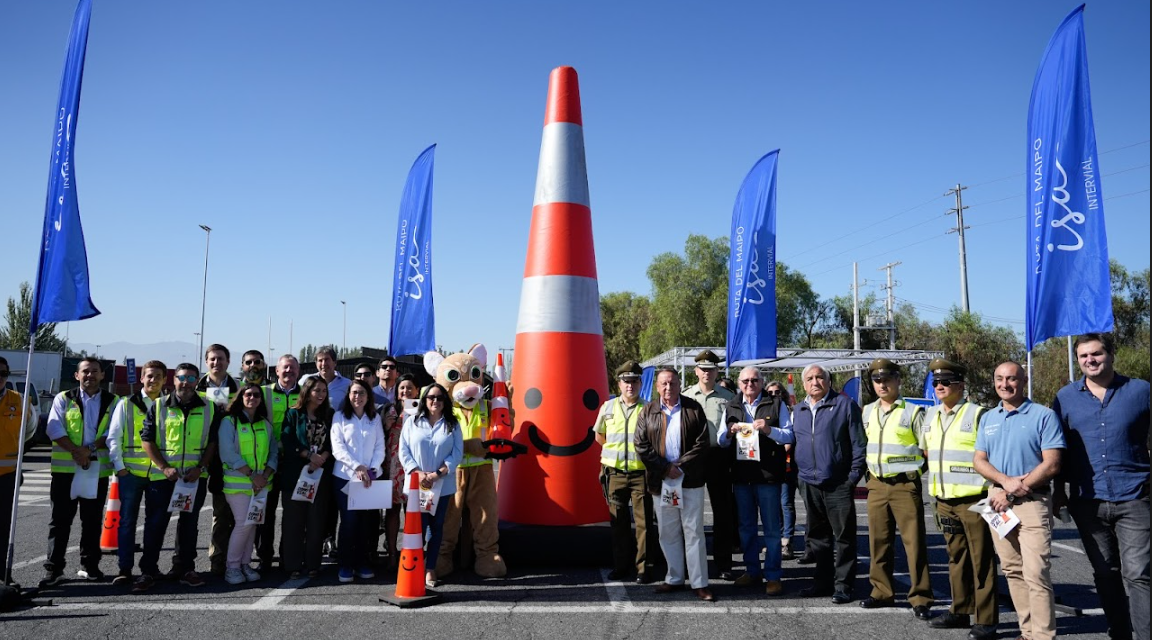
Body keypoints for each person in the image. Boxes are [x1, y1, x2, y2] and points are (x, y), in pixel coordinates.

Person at [1052, 333, 1150, 640]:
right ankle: (1119, 634)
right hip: (1087, 500)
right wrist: (1058, 493)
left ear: (1110, 355)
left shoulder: (1140, 391)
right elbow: (1057, 449)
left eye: (1096, 354)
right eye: (1083, 356)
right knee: (1106, 575)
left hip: (1135, 497)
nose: (1090, 360)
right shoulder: (1065, 397)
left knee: (1139, 574)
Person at [974, 362, 1064, 640]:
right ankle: (1027, 633)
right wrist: (1004, 482)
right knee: (1012, 570)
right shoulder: (989, 417)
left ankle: (1043, 636)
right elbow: (979, 460)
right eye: (999, 379)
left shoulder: (1043, 415)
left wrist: (1013, 488)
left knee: (1036, 573)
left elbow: (1052, 464)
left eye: (1012, 379)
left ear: (1023, 381)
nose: (1005, 384)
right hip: (995, 501)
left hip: (1032, 502)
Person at [921, 359, 997, 640]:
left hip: (975, 500)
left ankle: (986, 619)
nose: (939, 387)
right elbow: (928, 454)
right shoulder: (930, 416)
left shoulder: (979, 415)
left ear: (961, 385)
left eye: (945, 382)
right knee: (956, 559)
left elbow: (992, 456)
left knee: (982, 561)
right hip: (944, 500)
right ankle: (960, 610)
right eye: (936, 383)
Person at [857, 358, 933, 619]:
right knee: (878, 542)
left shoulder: (912, 412)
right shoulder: (866, 411)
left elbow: (928, 449)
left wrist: (915, 475)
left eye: (887, 379)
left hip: (904, 485)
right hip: (877, 485)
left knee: (914, 544)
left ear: (898, 380)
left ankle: (921, 597)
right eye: (877, 380)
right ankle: (881, 592)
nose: (882, 384)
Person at [634, 367, 714, 602]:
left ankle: (700, 583)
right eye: (664, 384)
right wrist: (664, 468)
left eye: (673, 383)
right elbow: (641, 444)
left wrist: (680, 466)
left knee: (694, 533)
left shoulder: (693, 408)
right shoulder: (648, 410)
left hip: (690, 481)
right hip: (662, 482)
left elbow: (702, 443)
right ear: (657, 387)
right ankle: (674, 577)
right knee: (668, 532)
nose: (669, 388)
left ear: (680, 384)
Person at [139, 362, 221, 591]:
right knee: (155, 524)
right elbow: (147, 440)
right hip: (163, 478)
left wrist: (201, 468)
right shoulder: (158, 406)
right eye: (182, 377)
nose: (186, 382)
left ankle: (185, 569)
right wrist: (164, 467)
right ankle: (148, 571)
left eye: (192, 378)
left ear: (197, 381)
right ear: (173, 380)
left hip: (193, 479)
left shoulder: (209, 407)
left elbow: (212, 443)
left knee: (189, 525)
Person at [791, 363, 865, 604]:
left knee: (844, 537)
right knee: (817, 537)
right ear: (804, 384)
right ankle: (822, 582)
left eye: (820, 377)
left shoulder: (845, 405)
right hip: (809, 483)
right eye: (810, 378)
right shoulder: (798, 409)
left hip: (838, 484)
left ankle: (843, 585)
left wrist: (852, 477)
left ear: (828, 380)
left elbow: (859, 444)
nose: (815, 382)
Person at [41, 357, 116, 586]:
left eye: (95, 371)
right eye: (85, 371)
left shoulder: (114, 401)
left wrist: (89, 449)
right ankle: (54, 570)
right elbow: (53, 428)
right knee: (59, 522)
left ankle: (90, 566)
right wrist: (76, 451)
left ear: (102, 375)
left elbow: (114, 431)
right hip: (66, 472)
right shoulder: (63, 398)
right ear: (77, 375)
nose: (90, 375)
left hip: (97, 471)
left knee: (92, 522)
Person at [718, 366, 793, 596]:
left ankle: (772, 576)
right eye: (745, 381)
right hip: (741, 477)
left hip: (768, 476)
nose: (749, 384)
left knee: (771, 530)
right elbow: (721, 440)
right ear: (739, 384)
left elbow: (790, 435)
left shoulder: (776, 404)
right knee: (746, 529)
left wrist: (770, 430)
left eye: (754, 380)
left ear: (762, 382)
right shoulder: (731, 406)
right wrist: (729, 433)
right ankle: (752, 571)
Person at [595, 361, 659, 584]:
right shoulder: (607, 407)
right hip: (615, 473)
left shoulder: (650, 408)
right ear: (619, 384)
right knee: (618, 523)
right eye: (625, 381)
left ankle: (643, 568)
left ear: (640, 383)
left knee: (643, 525)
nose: (629, 386)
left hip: (641, 475)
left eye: (634, 381)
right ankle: (621, 566)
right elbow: (599, 436)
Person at [107, 360, 167, 587]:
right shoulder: (126, 403)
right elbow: (114, 436)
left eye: (158, 376)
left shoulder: (167, 405)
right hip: (131, 473)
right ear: (141, 378)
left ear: (164, 380)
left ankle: (149, 568)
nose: (153, 380)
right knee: (127, 521)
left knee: (155, 522)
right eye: (149, 376)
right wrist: (119, 467)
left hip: (158, 474)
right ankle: (125, 568)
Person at [399, 382, 463, 588]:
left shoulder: (452, 424)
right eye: (431, 397)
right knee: (418, 527)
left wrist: (438, 474)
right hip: (418, 485)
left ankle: (430, 568)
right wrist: (418, 473)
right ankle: (414, 565)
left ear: (445, 402)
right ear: (424, 400)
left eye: (439, 398)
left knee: (436, 529)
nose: (435, 401)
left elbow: (457, 453)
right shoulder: (412, 422)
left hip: (441, 486)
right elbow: (404, 450)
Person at [681, 349, 737, 580]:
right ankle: (690, 562)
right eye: (703, 369)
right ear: (696, 371)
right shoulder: (686, 395)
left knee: (722, 512)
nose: (707, 373)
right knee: (690, 512)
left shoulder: (729, 396)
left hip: (718, 457)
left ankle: (724, 563)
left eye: (711, 369)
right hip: (692, 458)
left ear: (717, 371)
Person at [218, 384, 279, 585]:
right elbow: (227, 453)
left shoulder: (265, 424)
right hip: (238, 485)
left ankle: (245, 564)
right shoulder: (230, 421)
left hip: (261, 485)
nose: (252, 397)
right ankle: (232, 567)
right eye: (248, 394)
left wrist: (266, 474)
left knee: (252, 523)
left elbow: (273, 452)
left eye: (256, 395)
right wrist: (252, 475)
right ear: (240, 397)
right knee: (243, 524)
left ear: (261, 399)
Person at [329, 379, 385, 582]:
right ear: (348, 395)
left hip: (369, 479)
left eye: (362, 393)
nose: (357, 397)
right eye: (354, 393)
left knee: (367, 524)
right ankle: (345, 564)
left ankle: (362, 562)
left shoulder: (375, 418)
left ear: (368, 396)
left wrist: (371, 469)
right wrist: (357, 467)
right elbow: (338, 448)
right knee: (349, 522)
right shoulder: (339, 417)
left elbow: (380, 446)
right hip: (345, 477)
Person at [280, 376, 335, 579]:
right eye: (316, 390)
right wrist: (308, 455)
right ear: (306, 392)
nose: (320, 394)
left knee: (316, 521)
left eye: (323, 391)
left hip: (320, 475)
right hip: (295, 475)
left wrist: (321, 458)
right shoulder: (293, 414)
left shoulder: (330, 414)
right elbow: (287, 439)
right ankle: (292, 564)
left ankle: (313, 563)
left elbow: (333, 441)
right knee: (294, 521)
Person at [197, 343, 239, 577]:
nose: (216, 363)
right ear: (206, 362)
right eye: (212, 359)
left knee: (227, 513)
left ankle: (224, 558)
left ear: (228, 361)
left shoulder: (239, 387)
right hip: (201, 457)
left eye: (221, 359)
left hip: (229, 457)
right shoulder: (195, 387)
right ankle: (190, 561)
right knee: (193, 513)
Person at [257, 354, 300, 573]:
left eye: (293, 368)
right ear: (276, 370)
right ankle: (264, 557)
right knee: (266, 513)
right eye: (285, 368)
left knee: (292, 514)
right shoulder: (263, 393)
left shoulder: (305, 393)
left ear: (298, 371)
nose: (289, 371)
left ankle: (287, 556)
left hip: (294, 463)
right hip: (269, 463)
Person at [353, 362, 395, 566]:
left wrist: (374, 467)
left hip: (381, 464)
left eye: (366, 374)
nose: (363, 378)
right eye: (359, 375)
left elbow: (380, 439)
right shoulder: (350, 406)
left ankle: (380, 548)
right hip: (357, 470)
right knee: (361, 515)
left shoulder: (400, 394)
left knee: (379, 511)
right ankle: (362, 553)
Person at [0, 356, 35, 567]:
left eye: (3, 374)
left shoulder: (19, 400)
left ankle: (3, 575)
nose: (0, 378)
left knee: (3, 527)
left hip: (7, 476)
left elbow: (29, 431)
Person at [382, 373, 418, 568]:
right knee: (393, 511)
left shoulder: (422, 411)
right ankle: (392, 553)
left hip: (413, 465)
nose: (405, 391)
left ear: (417, 391)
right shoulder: (390, 410)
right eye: (402, 388)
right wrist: (387, 425)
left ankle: (411, 552)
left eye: (409, 387)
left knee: (412, 511)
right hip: (393, 466)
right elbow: (382, 436)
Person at [766, 381, 798, 560]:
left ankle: (788, 541)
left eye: (777, 392)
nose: (774, 395)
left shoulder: (791, 412)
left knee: (786, 503)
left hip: (787, 464)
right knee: (774, 505)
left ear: (783, 394)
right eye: (770, 392)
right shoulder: (766, 410)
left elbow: (789, 438)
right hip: (771, 465)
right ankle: (777, 540)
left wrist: (781, 447)